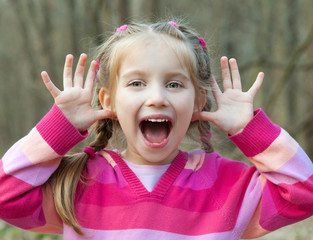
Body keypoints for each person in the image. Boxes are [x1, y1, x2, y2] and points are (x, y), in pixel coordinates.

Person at [0, 20, 313, 240]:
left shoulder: (226, 187)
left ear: (197, 103)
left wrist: (250, 130)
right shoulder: (80, 182)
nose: (157, 98)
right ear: (108, 101)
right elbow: (5, 197)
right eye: (137, 83)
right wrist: (59, 129)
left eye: (174, 84)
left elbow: (304, 193)